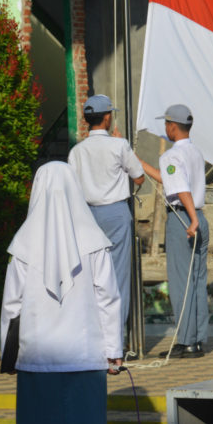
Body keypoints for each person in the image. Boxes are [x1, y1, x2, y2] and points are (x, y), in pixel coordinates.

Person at [0, 161, 123, 424]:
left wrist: (8, 355)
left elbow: (11, 305)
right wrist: (114, 349)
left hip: (36, 359)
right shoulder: (94, 240)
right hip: (86, 357)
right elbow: (108, 298)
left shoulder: (22, 245)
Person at [67, 94, 145, 344]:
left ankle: (92, 338)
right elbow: (139, 177)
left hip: (87, 214)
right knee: (118, 277)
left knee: (90, 278)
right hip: (115, 211)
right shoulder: (119, 145)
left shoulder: (76, 151)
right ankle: (115, 343)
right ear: (108, 116)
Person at [138, 104, 209, 358]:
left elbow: (181, 189)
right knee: (198, 281)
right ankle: (198, 339)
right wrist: (140, 164)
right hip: (199, 215)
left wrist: (191, 220)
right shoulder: (195, 152)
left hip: (183, 219)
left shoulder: (170, 156)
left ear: (172, 126)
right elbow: (169, 180)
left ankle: (186, 340)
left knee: (181, 282)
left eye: (166, 124)